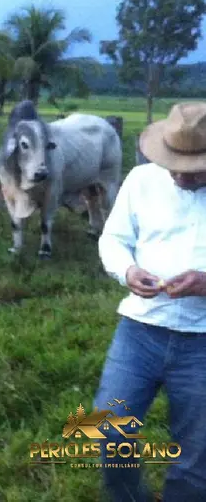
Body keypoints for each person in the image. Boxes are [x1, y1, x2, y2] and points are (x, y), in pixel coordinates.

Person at [96, 101, 206, 501]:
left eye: (194, 169)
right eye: (174, 165)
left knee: (196, 454)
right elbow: (114, 239)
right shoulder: (142, 180)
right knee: (110, 430)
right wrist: (127, 271)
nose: (180, 175)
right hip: (139, 332)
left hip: (202, 341)